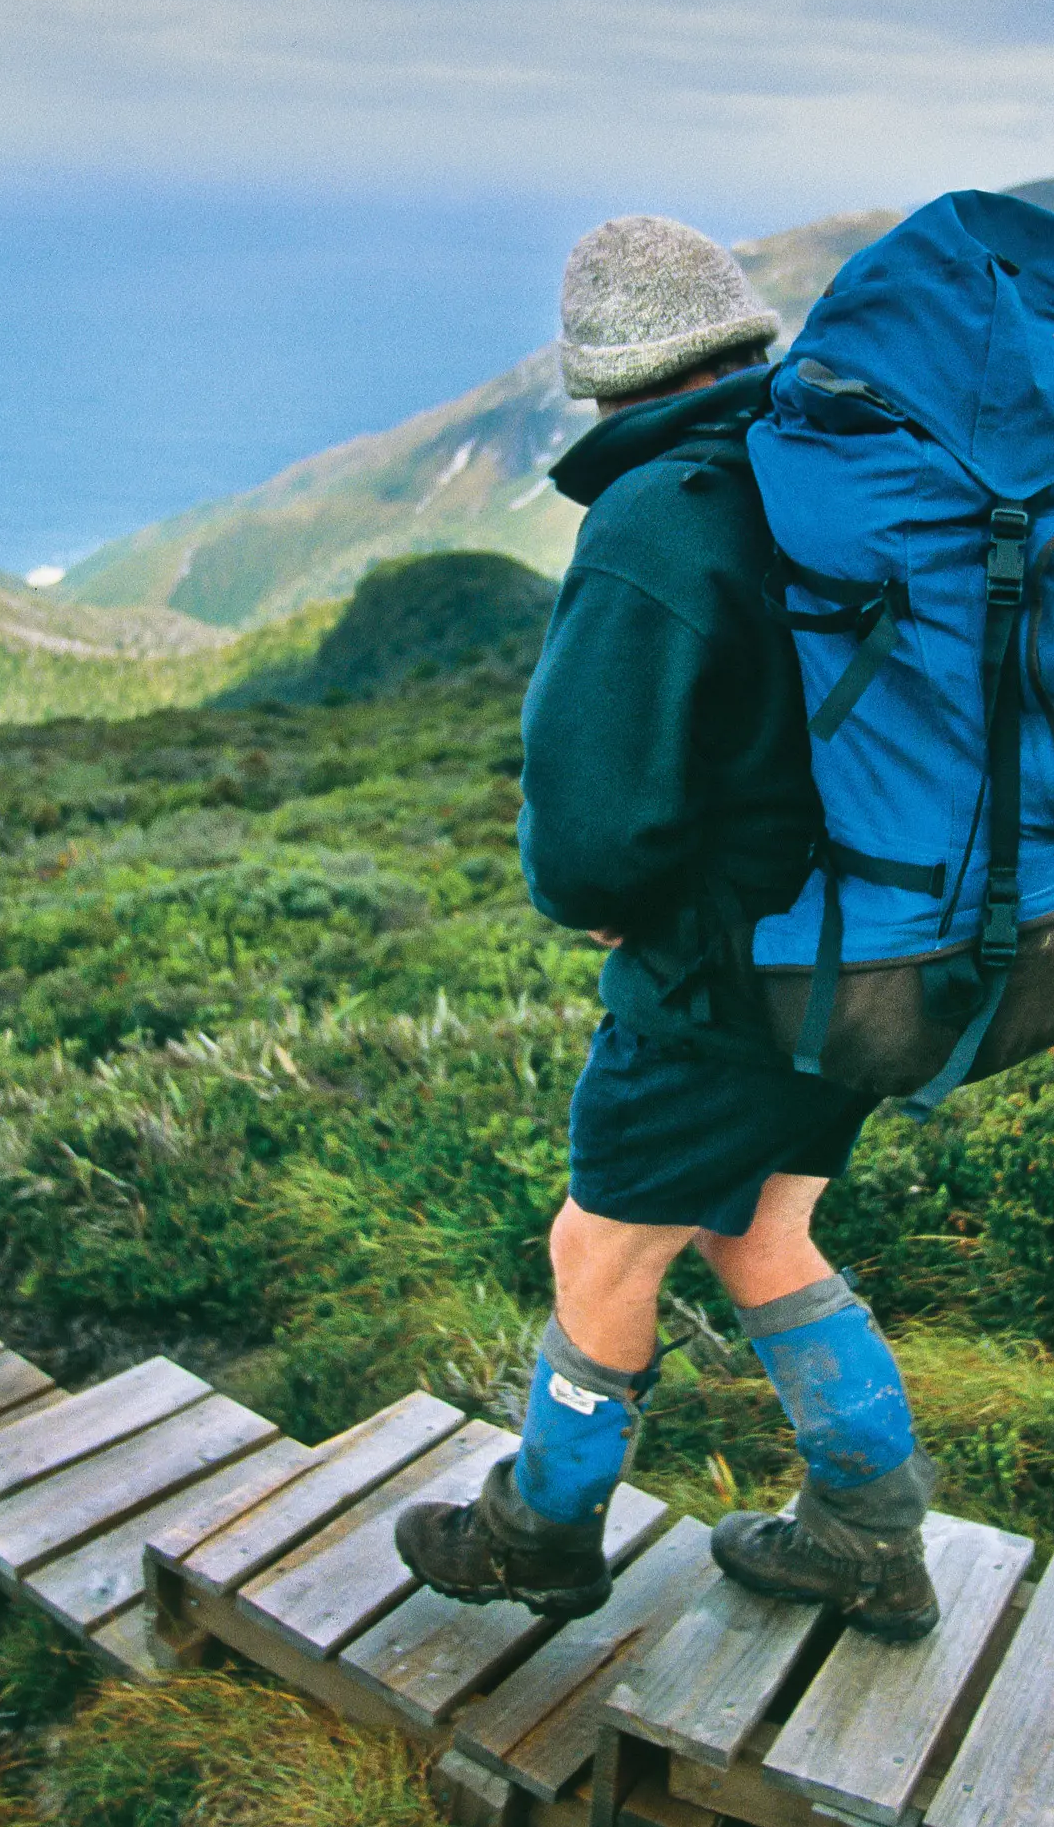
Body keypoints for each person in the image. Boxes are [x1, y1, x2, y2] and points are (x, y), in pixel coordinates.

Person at [394, 214, 939, 1642]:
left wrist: (607, 913)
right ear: (742, 336)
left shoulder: (655, 517)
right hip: (868, 954)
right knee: (762, 1231)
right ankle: (872, 1537)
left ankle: (543, 1535)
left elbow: (589, 838)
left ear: (599, 374)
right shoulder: (812, 467)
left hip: (724, 984)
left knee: (598, 1247)